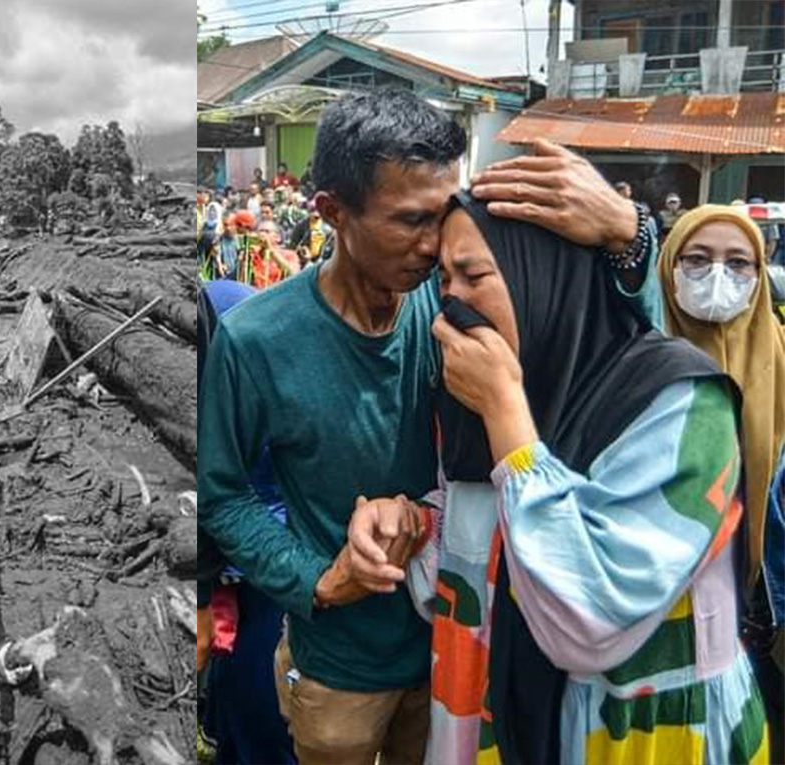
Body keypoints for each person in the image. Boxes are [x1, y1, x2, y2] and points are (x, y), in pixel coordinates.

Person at [199, 87, 655, 765]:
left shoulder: (455, 305)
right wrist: (316, 579)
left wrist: (631, 237)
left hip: (459, 652)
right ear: (332, 213)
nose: (434, 243)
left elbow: (615, 355)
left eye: (443, 215)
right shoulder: (254, 340)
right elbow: (223, 492)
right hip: (340, 663)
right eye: (410, 220)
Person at [349, 193, 769, 764]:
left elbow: (586, 618)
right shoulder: (475, 397)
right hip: (485, 711)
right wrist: (414, 522)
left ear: (547, 274)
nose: (451, 301)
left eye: (474, 275)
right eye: (443, 278)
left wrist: (505, 412)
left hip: (634, 735)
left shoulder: (681, 402)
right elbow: (478, 534)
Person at [658, 205, 785, 764]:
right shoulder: (633, 357)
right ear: (668, 266)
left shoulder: (780, 358)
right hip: (659, 607)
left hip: (756, 606)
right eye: (698, 259)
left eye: (739, 264)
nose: (718, 277)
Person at [198, 279, 298, 765]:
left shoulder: (251, 342)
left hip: (271, 547)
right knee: (229, 660)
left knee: (259, 682)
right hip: (232, 554)